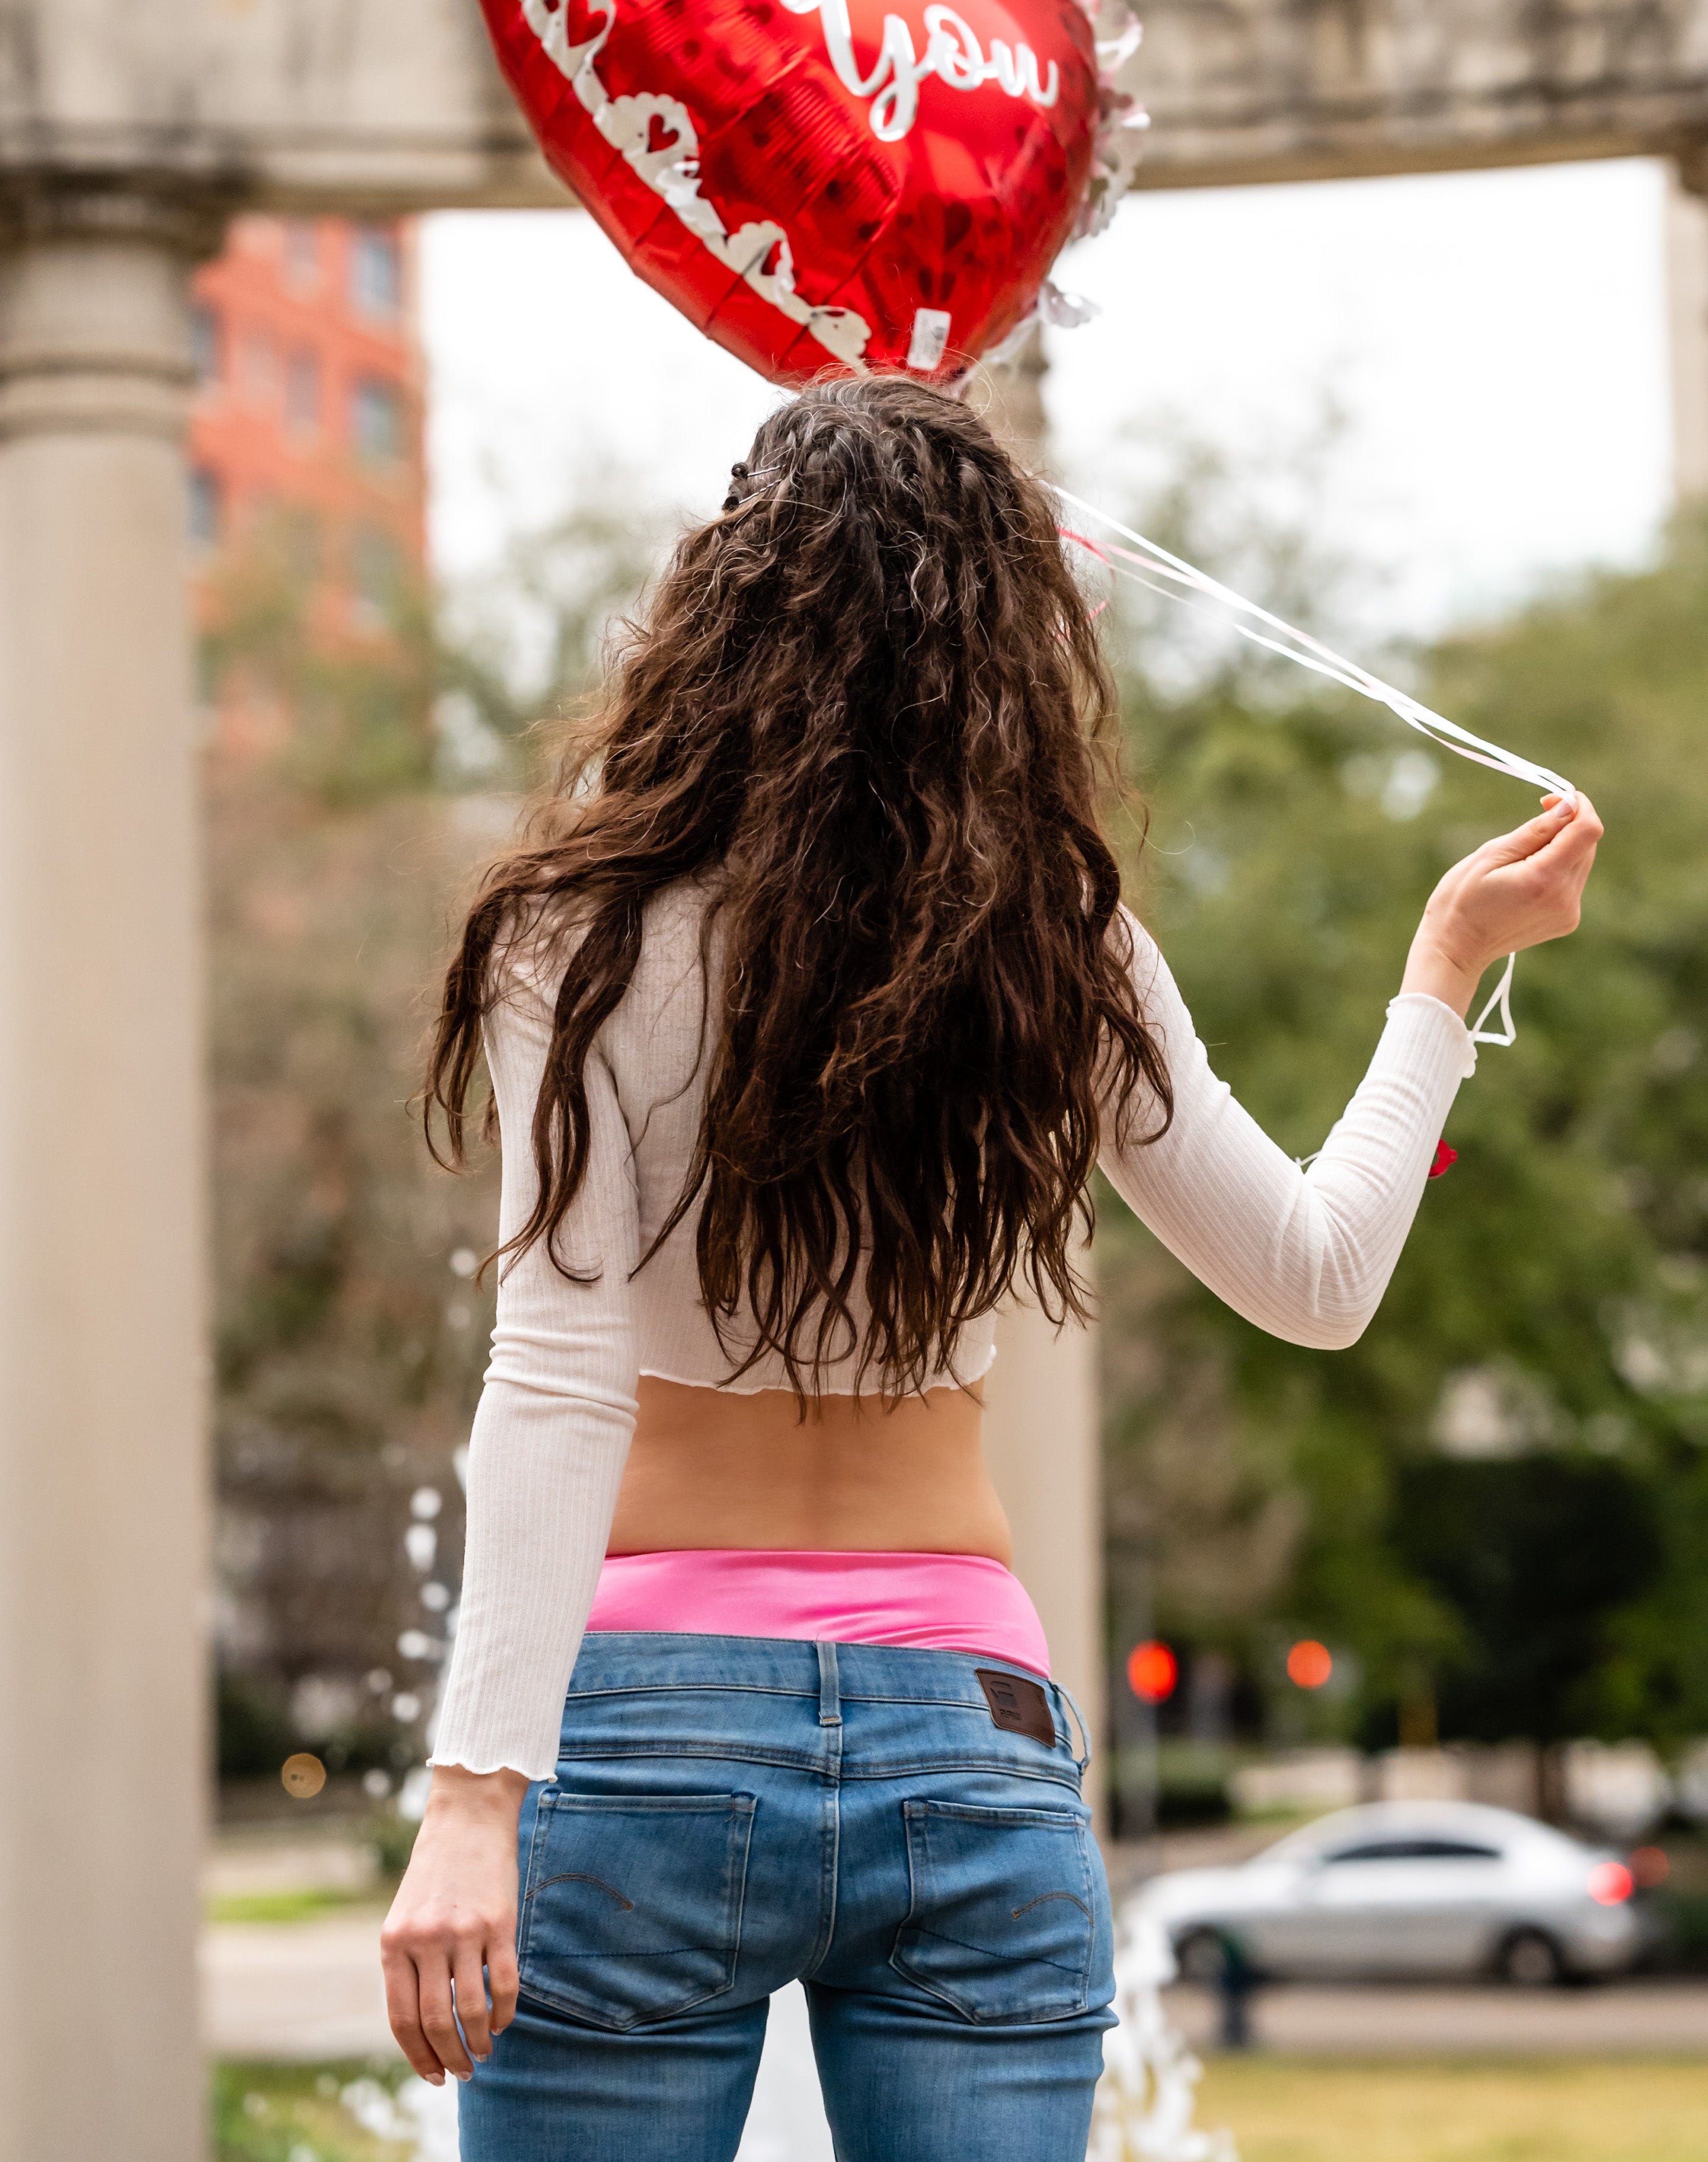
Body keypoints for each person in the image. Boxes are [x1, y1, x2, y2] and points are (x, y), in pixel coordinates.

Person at [380, 375, 1600, 2161]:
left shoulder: (578, 932)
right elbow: (1320, 1281)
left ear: (723, 601)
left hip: (642, 1734)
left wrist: (472, 1802)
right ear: (1009, 641)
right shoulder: (1058, 941)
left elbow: (558, 1374)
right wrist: (1443, 970)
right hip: (972, 1736)